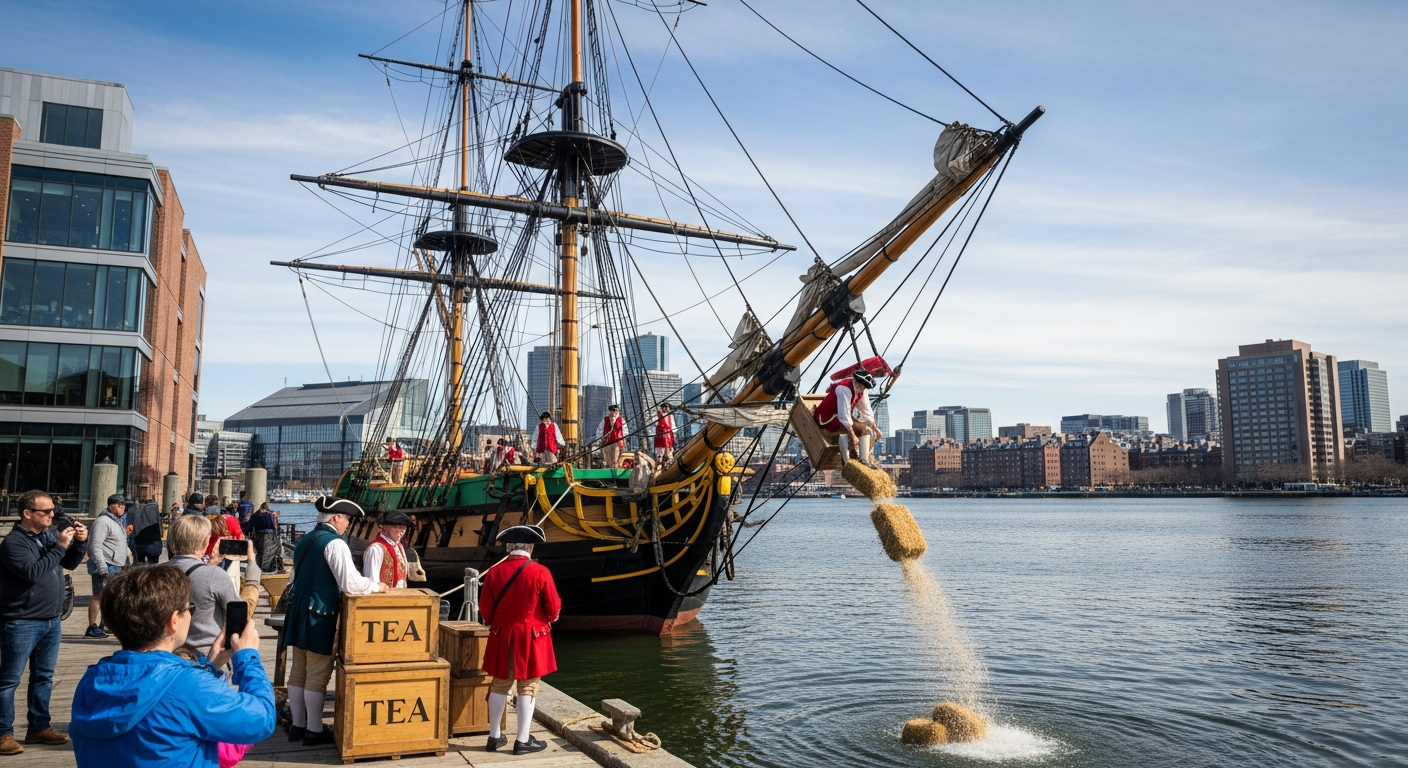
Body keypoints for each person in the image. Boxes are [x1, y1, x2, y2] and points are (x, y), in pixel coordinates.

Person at [69, 565, 275, 767]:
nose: (190, 613)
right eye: (189, 608)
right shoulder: (188, 686)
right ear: (173, 620)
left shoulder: (91, 681)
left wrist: (211, 666)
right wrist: (248, 657)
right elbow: (261, 719)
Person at [283, 496, 385, 746]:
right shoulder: (335, 544)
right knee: (317, 675)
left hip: (299, 612)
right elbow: (350, 583)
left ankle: (298, 726)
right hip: (320, 615)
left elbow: (294, 578)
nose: (347, 525)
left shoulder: (305, 539)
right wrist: (376, 586)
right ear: (335, 518)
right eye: (346, 519)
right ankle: (314, 730)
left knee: (299, 672)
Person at [0, 490, 88, 754]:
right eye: (46, 511)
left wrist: (79, 543)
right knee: (9, 680)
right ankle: (3, 733)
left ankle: (39, 727)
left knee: (43, 677)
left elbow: (69, 562)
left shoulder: (47, 535)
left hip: (51, 619)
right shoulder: (13, 543)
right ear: (27, 514)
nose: (52, 515)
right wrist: (60, 546)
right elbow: (33, 574)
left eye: (53, 510)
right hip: (21, 620)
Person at [479, 525, 560, 756]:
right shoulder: (540, 571)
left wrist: (497, 623)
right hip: (531, 638)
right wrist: (550, 619)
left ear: (509, 548)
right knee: (528, 687)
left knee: (499, 684)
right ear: (530, 547)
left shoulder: (494, 572)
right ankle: (522, 740)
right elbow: (553, 607)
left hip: (502, 635)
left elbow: (485, 609)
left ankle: (494, 737)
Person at [164, 515, 250, 654]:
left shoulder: (153, 574)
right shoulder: (214, 575)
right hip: (207, 654)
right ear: (205, 542)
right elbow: (239, 615)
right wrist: (252, 566)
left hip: (166, 653)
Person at [814, 369, 882, 466]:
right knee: (844, 432)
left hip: (841, 416)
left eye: (865, 387)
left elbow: (866, 411)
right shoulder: (844, 389)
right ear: (857, 382)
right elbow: (844, 415)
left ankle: (864, 460)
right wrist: (853, 435)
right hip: (827, 419)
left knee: (865, 430)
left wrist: (875, 429)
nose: (863, 389)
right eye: (863, 386)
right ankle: (847, 463)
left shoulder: (861, 391)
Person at [85, 494, 129, 639]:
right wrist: (102, 565)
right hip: (105, 565)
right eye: (119, 504)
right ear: (110, 506)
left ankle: (107, 624)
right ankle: (92, 626)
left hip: (116, 565)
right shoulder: (103, 521)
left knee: (111, 598)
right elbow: (94, 545)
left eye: (123, 505)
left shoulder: (117, 521)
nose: (122, 507)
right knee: (99, 596)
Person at [361, 511, 413, 590]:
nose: (402, 530)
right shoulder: (376, 549)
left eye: (404, 527)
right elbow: (372, 582)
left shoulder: (399, 547)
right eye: (397, 527)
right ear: (385, 527)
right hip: (382, 599)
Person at [129, 494, 164, 565]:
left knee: (139, 564)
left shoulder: (133, 508)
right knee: (153, 565)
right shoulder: (154, 507)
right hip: (153, 543)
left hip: (138, 542)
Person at [247, 502, 281, 573]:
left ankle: (259, 566)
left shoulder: (255, 515)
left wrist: (249, 531)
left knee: (259, 552)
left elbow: (250, 526)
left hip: (258, 534)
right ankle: (269, 567)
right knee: (270, 552)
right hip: (270, 535)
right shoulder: (270, 515)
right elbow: (273, 526)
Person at [598, 404, 627, 469]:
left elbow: (625, 432)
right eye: (612, 410)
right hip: (607, 443)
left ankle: (613, 473)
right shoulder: (605, 419)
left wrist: (622, 442)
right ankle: (606, 473)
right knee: (606, 460)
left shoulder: (621, 420)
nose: (613, 412)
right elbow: (599, 430)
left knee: (615, 460)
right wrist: (600, 440)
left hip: (616, 442)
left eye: (615, 410)